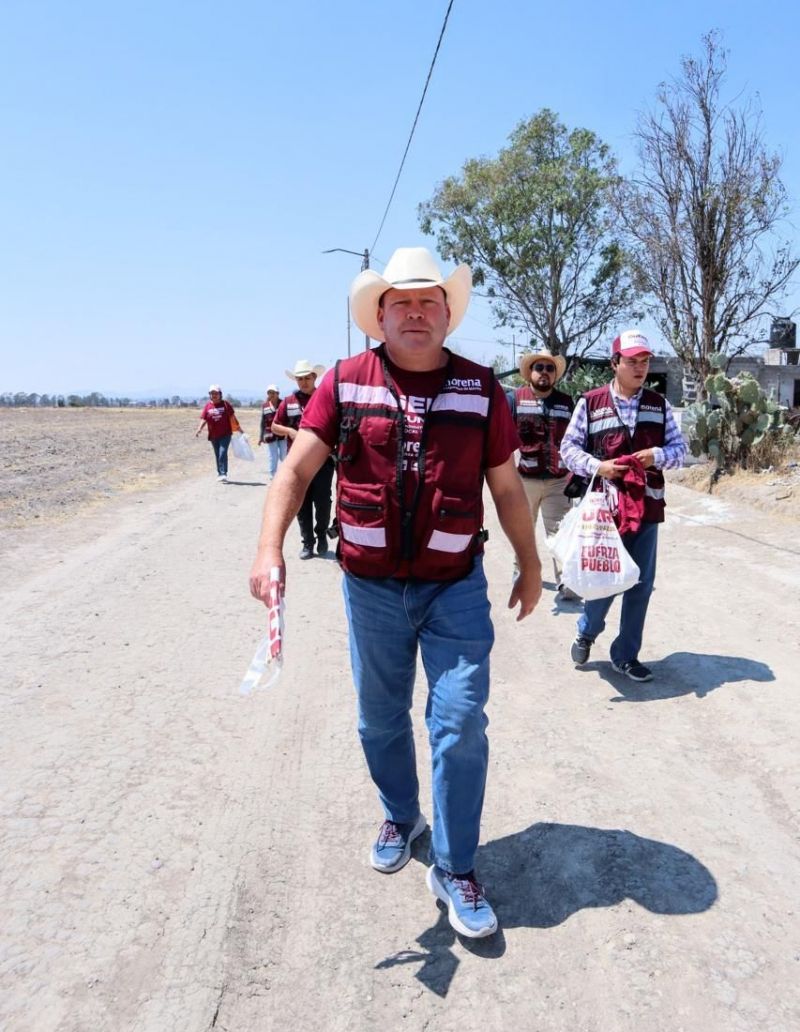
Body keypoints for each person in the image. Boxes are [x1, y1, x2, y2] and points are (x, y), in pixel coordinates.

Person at [249, 246, 542, 938]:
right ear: (378, 315)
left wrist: (529, 564)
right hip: (372, 587)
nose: (415, 313)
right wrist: (270, 548)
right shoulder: (345, 384)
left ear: (447, 314)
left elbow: (506, 488)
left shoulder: (482, 391)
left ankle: (456, 865)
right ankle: (400, 811)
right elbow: (294, 473)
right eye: (401, 303)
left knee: (460, 720)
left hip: (454, 587)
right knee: (379, 718)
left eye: (428, 302)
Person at [559, 329, 686, 682]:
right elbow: (568, 449)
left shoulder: (658, 406)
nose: (640, 368)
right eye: (632, 361)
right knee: (604, 577)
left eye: (644, 362)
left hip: (646, 509)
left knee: (641, 583)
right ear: (615, 363)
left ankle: (626, 655)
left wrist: (656, 455)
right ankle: (587, 630)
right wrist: (598, 466)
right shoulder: (591, 402)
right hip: (605, 511)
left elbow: (680, 451)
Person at [513, 349, 579, 601]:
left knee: (560, 533)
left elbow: (576, 439)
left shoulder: (566, 402)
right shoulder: (515, 399)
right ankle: (521, 574)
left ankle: (565, 581)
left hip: (558, 480)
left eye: (549, 368)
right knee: (523, 531)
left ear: (555, 375)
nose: (544, 372)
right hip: (524, 479)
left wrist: (577, 476)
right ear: (530, 372)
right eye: (539, 367)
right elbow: (503, 439)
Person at [272, 360, 335, 559]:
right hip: (298, 462)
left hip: (324, 460)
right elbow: (274, 426)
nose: (304, 382)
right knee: (302, 503)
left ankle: (322, 535)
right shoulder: (288, 401)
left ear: (315, 378)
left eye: (307, 378)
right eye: (300, 379)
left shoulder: (325, 398)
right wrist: (290, 431)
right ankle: (308, 543)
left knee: (323, 502)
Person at [195, 385, 237, 482]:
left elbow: (232, 418)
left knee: (222, 452)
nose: (214, 395)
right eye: (212, 393)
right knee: (217, 454)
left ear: (220, 394)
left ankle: (223, 473)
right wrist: (199, 429)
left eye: (216, 393)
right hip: (213, 435)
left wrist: (239, 429)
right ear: (210, 395)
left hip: (226, 434)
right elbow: (204, 419)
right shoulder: (208, 406)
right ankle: (220, 473)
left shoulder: (226, 404)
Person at [258, 384, 287, 479]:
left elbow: (288, 419)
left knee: (284, 455)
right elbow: (263, 422)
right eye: (269, 393)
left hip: (283, 434)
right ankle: (273, 474)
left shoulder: (283, 404)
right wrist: (261, 437)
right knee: (272, 456)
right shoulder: (265, 406)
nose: (271, 395)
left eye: (273, 393)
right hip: (270, 434)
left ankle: (286, 472)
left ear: (278, 394)